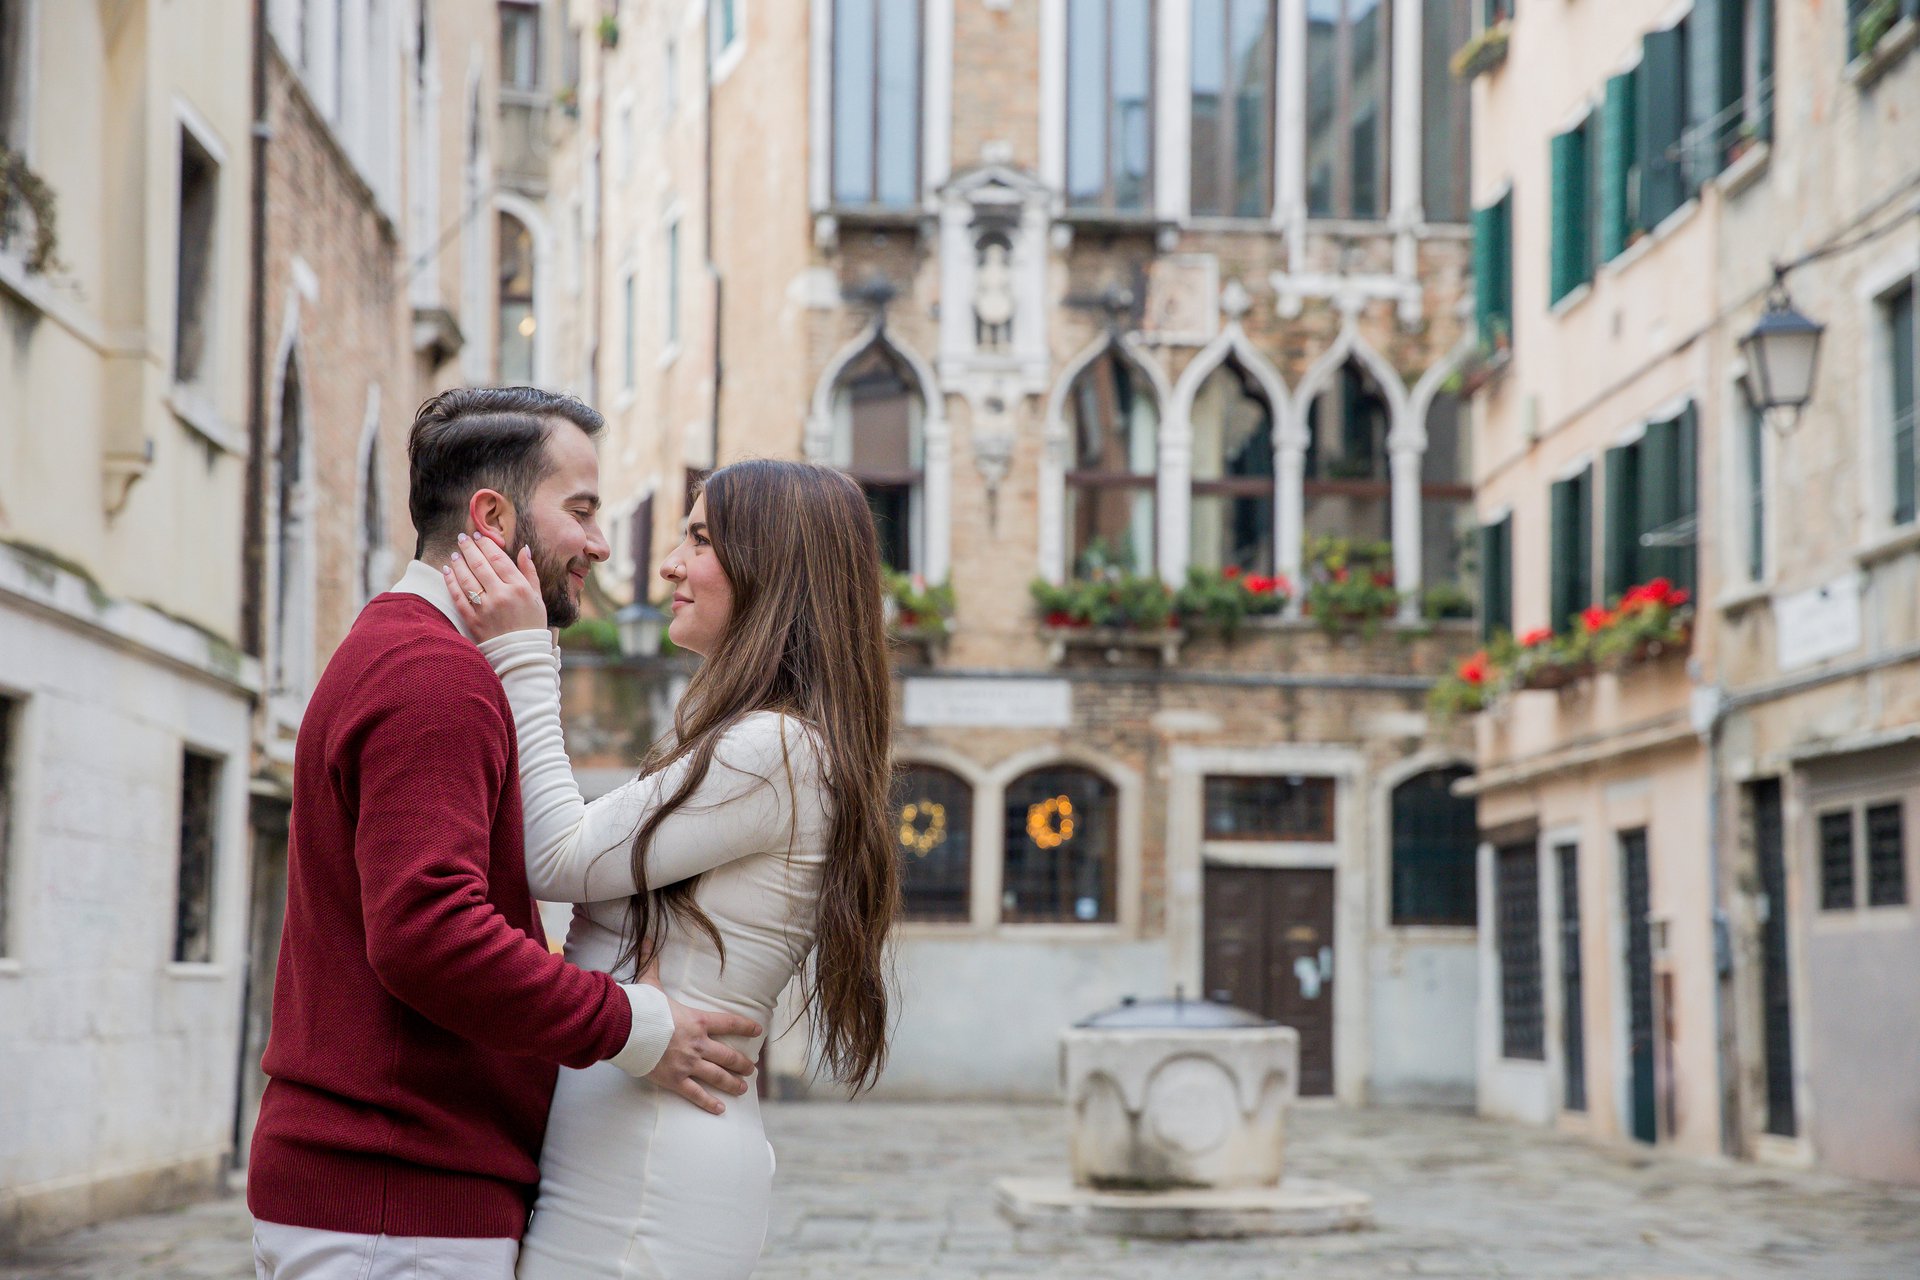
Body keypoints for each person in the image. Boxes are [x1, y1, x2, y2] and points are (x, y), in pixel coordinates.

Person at [248, 388, 763, 1280]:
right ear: (492, 517)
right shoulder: (434, 678)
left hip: (401, 1197)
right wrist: (638, 1025)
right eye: (583, 511)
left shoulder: (415, 653)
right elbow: (428, 934)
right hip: (395, 1208)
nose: (601, 546)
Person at [442, 458, 900, 1279]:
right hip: (632, 1148)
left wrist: (522, 658)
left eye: (699, 539)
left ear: (772, 566)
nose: (669, 566)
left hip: (649, 1171)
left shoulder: (775, 748)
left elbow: (559, 855)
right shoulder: (754, 739)